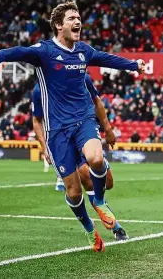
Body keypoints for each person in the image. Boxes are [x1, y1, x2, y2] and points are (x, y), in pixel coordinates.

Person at [0, 1, 144, 252]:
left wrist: (134, 65)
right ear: (59, 25)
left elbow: (106, 58)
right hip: (57, 130)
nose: (77, 21)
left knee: (96, 158)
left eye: (78, 17)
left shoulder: (83, 51)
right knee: (74, 192)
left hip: (83, 120)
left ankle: (99, 201)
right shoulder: (44, 51)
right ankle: (90, 229)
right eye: (71, 18)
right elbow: (20, 52)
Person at [31, 75, 128, 241]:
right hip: (60, 139)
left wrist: (107, 128)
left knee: (107, 183)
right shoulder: (39, 89)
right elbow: (37, 120)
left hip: (82, 131)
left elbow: (96, 101)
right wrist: (44, 146)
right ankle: (94, 229)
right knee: (75, 192)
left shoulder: (80, 75)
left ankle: (101, 203)